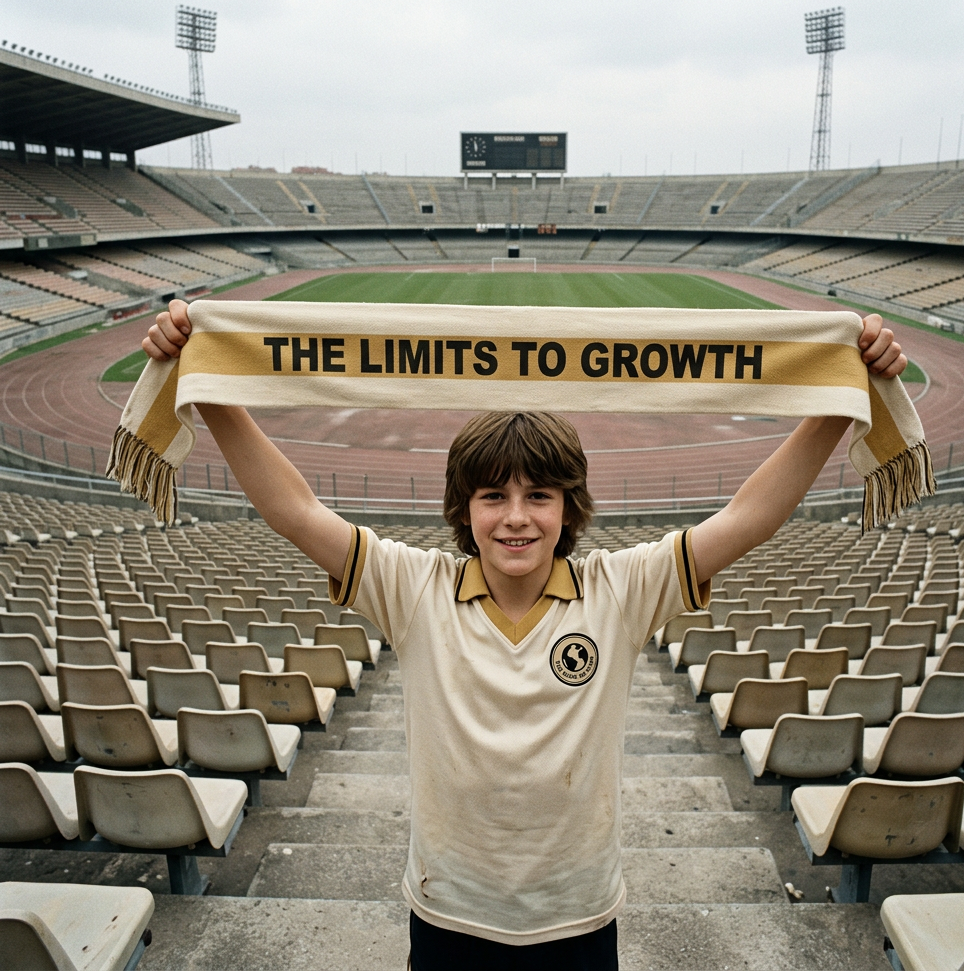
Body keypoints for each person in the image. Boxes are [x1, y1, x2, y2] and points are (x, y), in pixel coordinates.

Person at [143, 300, 906, 970]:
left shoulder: (621, 588)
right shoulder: (415, 588)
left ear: (568, 508)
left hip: (579, 916)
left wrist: (840, 398)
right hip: (448, 912)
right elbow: (297, 510)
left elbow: (746, 517)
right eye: (492, 496)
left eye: (539, 496)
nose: (516, 517)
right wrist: (208, 387)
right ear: (462, 507)